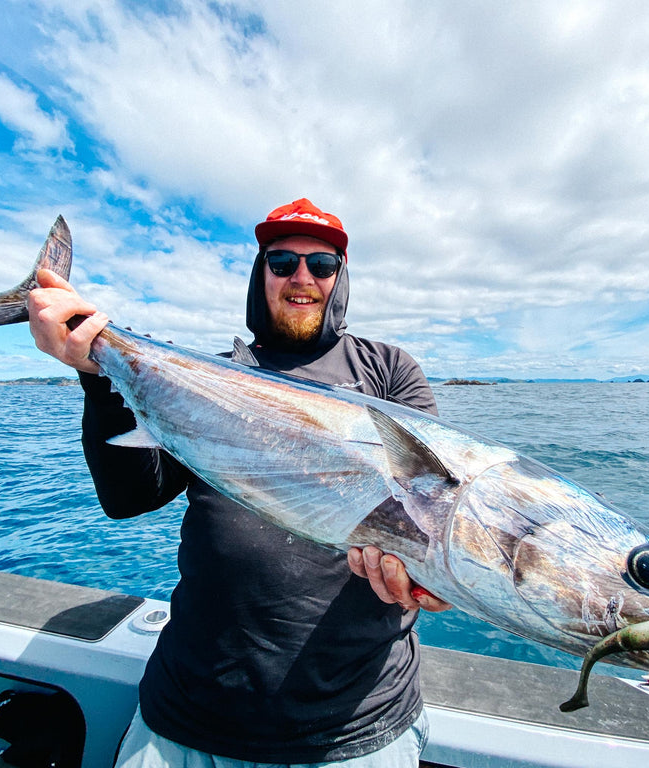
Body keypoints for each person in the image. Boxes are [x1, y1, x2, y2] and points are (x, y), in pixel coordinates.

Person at [28, 198, 450, 767]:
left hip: (355, 725)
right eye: (281, 262)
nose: (302, 278)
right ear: (261, 274)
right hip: (185, 717)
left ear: (340, 279)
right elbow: (130, 498)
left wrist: (436, 581)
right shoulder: (212, 373)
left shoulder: (390, 371)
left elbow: (436, 508)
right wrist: (97, 376)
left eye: (321, 265)